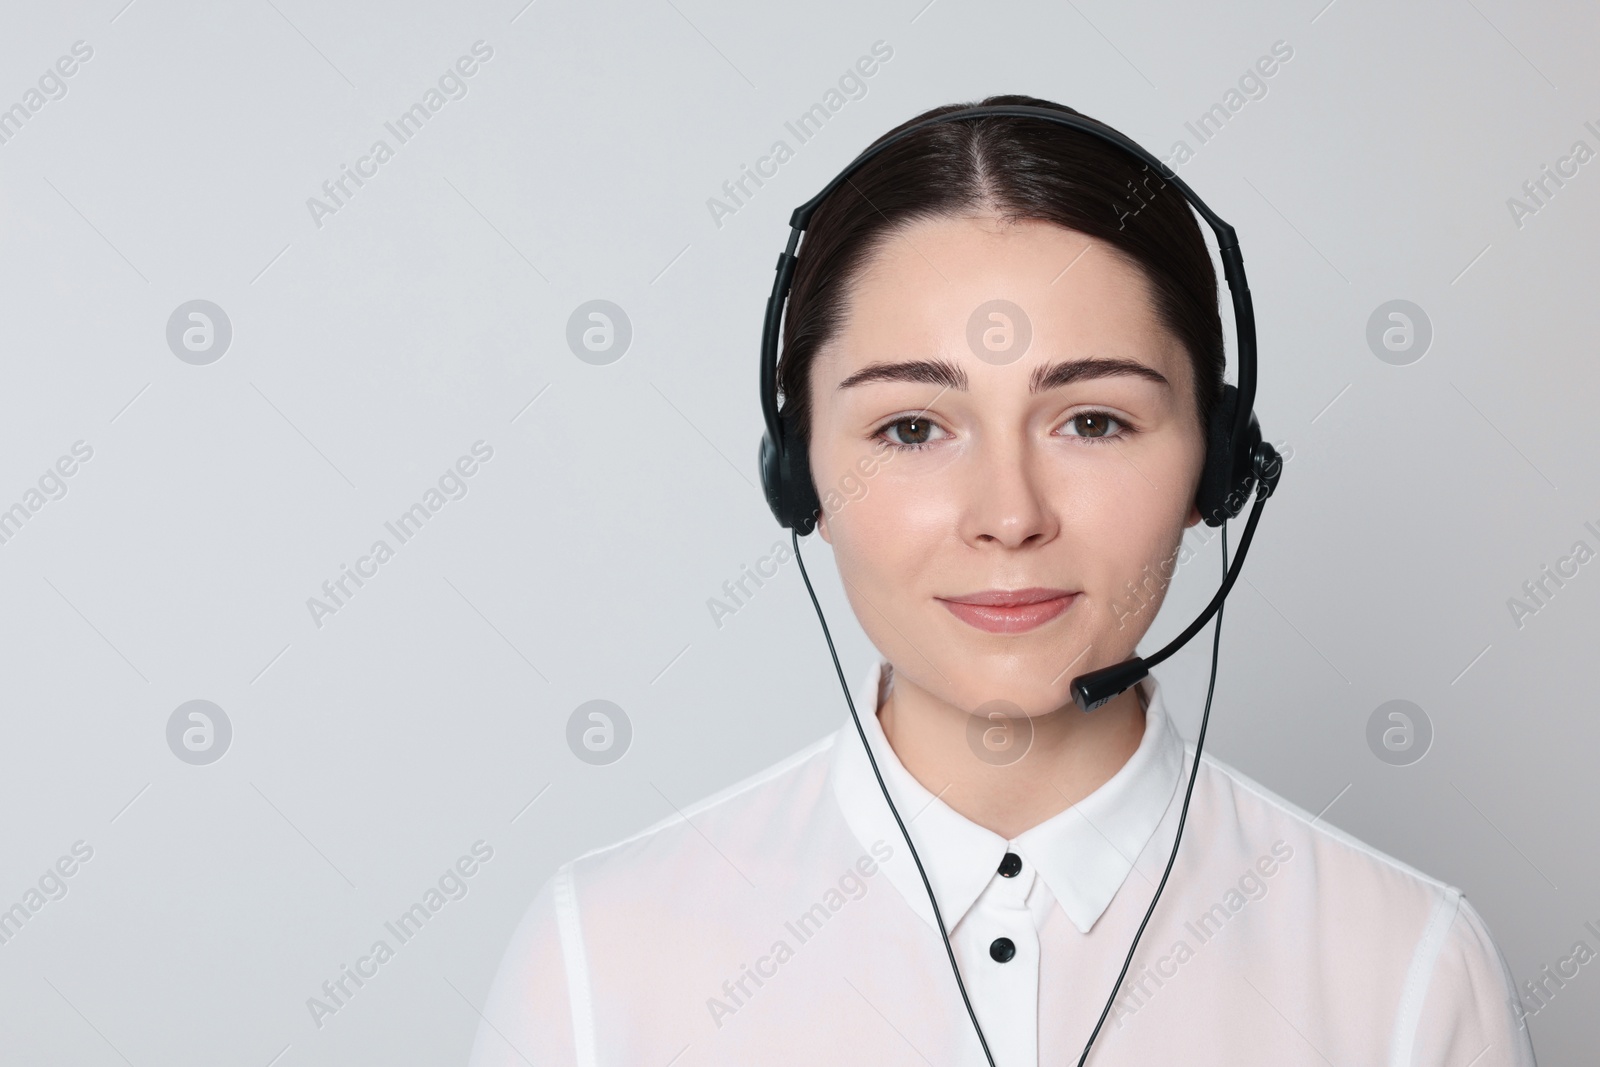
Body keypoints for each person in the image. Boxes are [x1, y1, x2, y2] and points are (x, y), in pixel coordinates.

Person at [467, 95, 1537, 1066]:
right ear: (798, 476)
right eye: (912, 426)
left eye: (1091, 419)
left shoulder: (1404, 967)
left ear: (1215, 464)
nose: (1010, 514)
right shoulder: (601, 957)